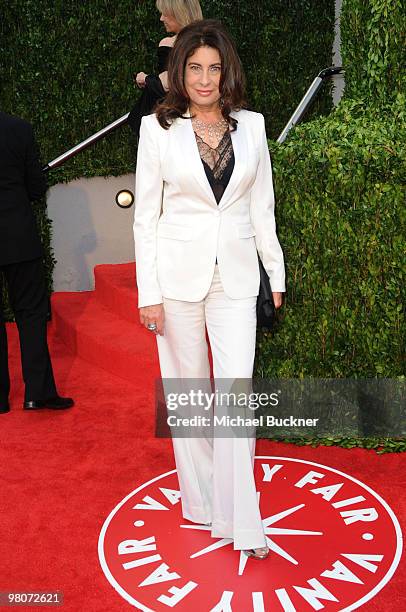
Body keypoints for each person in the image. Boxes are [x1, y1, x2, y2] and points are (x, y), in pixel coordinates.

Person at [133, 20, 285, 559]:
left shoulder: (254, 126)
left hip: (238, 278)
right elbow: (145, 217)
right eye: (194, 68)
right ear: (180, 72)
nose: (204, 79)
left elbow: (260, 206)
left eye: (213, 68)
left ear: (227, 73)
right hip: (176, 279)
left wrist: (276, 271)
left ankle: (241, 519)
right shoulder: (158, 129)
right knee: (192, 393)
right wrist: (146, 291)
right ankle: (200, 501)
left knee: (235, 395)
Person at [0, 111, 74, 414]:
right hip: (18, 235)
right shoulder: (18, 128)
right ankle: (37, 394)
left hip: (18, 236)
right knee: (30, 314)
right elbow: (34, 187)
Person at [128, 0, 203, 138]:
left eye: (165, 13)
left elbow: (165, 86)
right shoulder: (208, 42)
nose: (161, 18)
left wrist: (144, 78)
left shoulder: (168, 44)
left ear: (179, 13)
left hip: (168, 124)